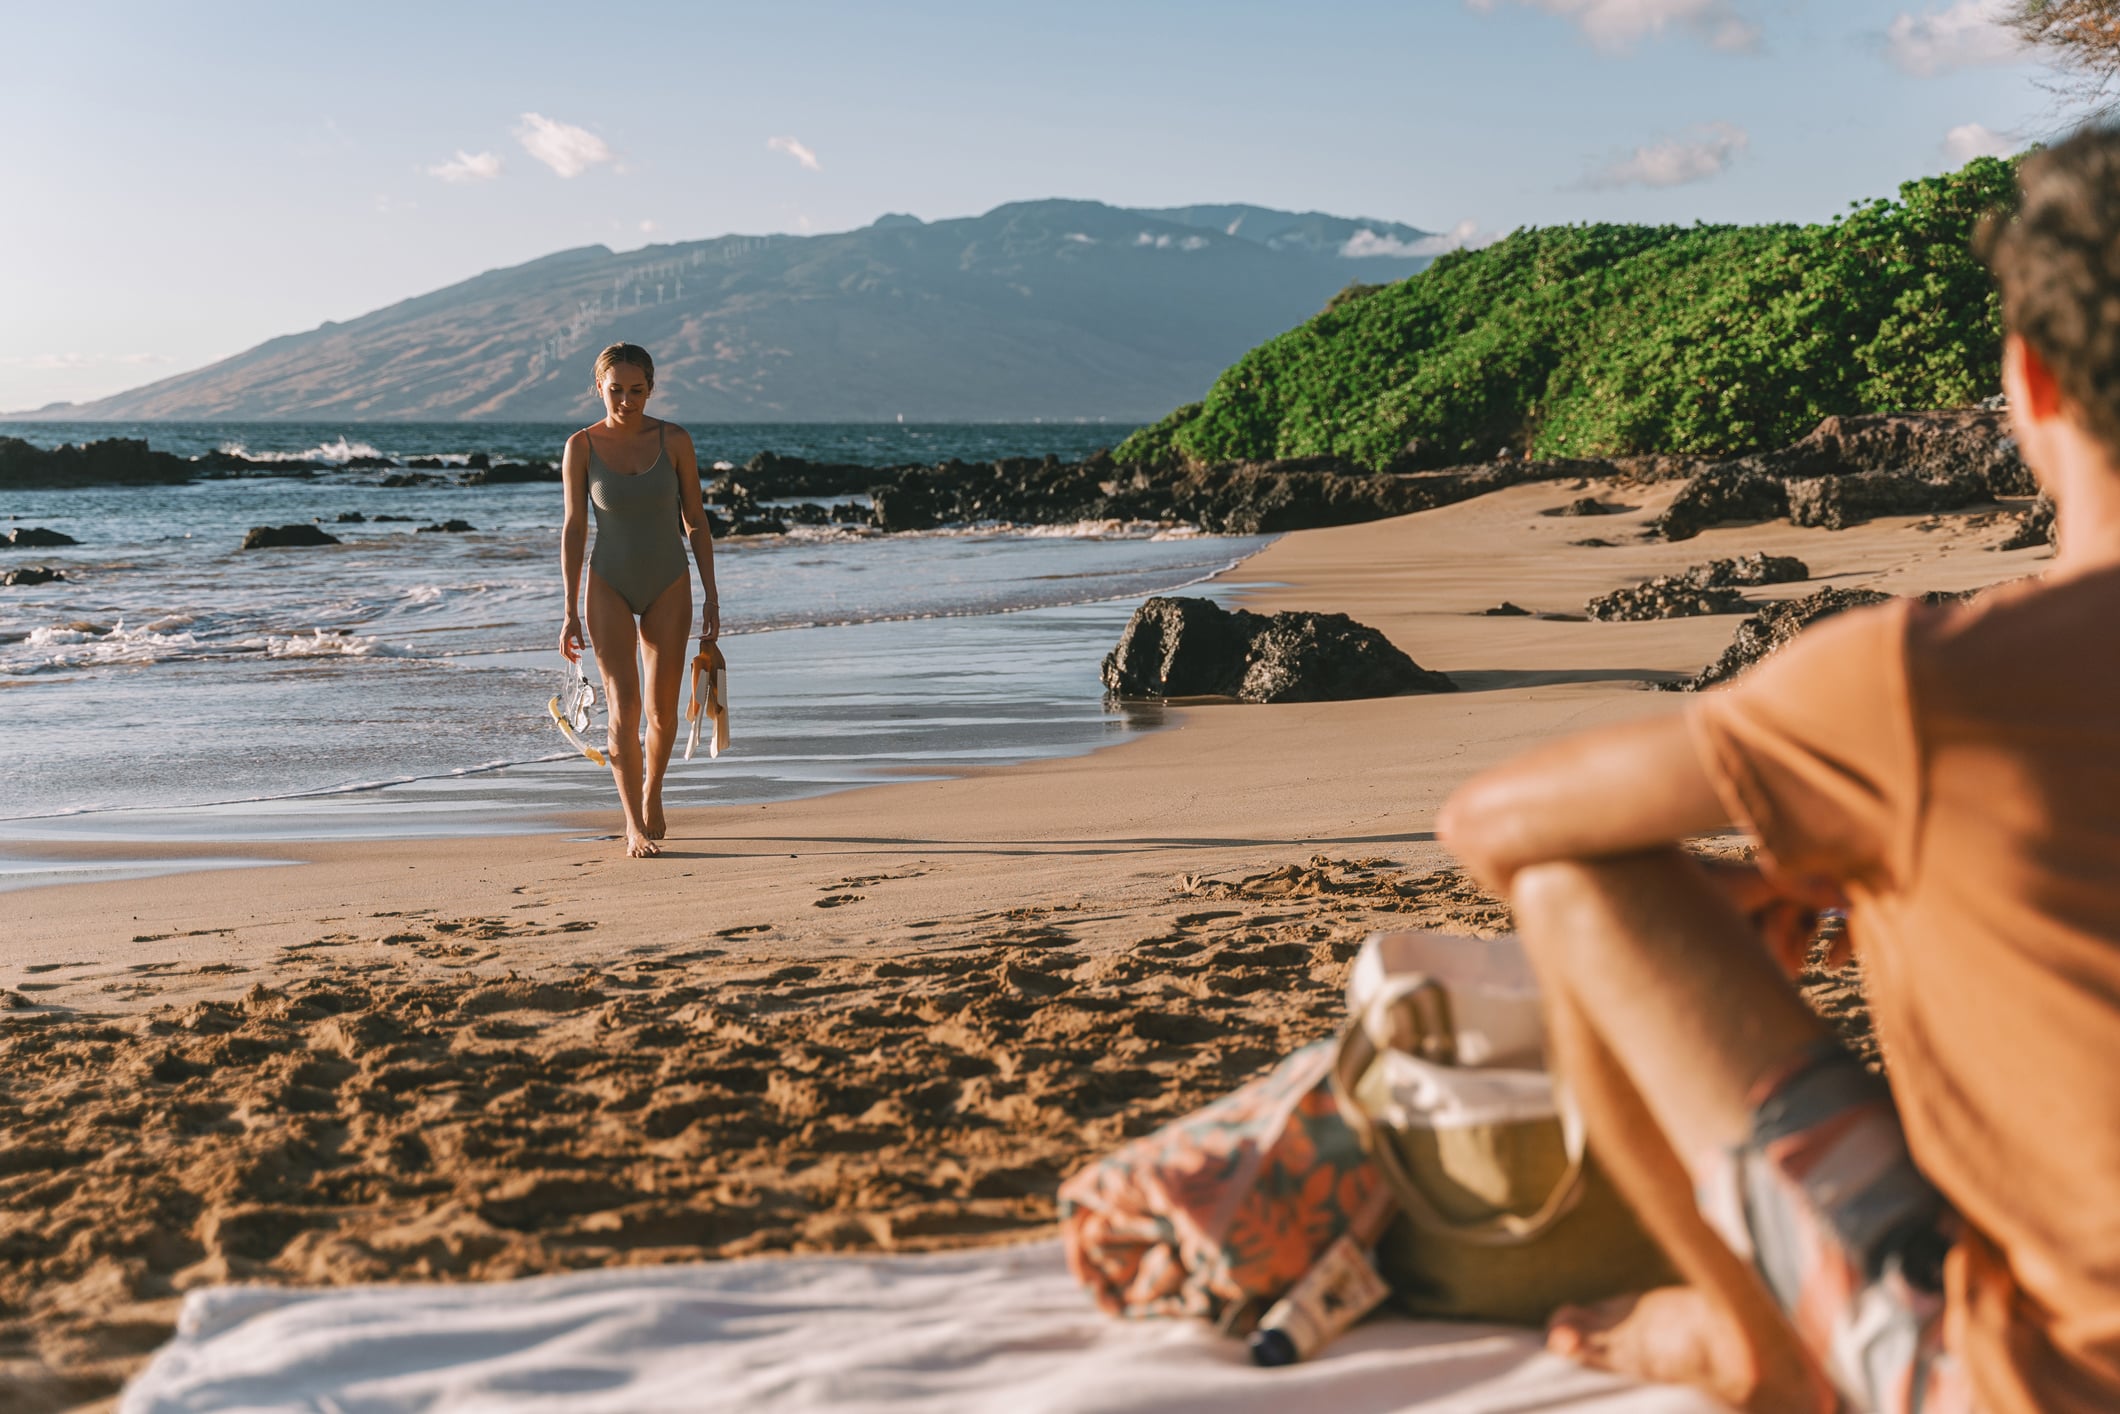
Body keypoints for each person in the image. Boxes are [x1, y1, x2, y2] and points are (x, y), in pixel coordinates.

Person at [1438, 127, 2120, 1414]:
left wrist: (1779, 868)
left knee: (1578, 884)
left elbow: (1488, 824)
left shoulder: (1930, 688)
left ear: (2027, 382)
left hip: (2030, 1384)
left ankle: (1756, 1347)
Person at [560, 342, 721, 858]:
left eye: (637, 390)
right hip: (608, 580)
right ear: (599, 388)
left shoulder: (673, 440)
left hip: (668, 581)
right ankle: (631, 823)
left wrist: (712, 594)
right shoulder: (581, 445)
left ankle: (653, 789)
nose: (626, 400)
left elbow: (694, 519)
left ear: (651, 388)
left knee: (661, 711)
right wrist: (567, 610)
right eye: (616, 390)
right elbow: (575, 526)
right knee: (623, 709)